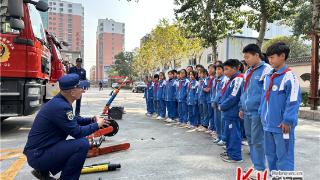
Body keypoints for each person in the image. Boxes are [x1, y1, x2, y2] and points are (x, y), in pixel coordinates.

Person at [23, 74, 107, 180]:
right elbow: (77, 132)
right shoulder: (61, 106)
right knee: (82, 144)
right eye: (80, 88)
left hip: (39, 152)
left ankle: (43, 172)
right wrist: (97, 125)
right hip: (39, 155)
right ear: (72, 92)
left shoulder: (60, 102)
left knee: (75, 145)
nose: (83, 90)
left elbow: (73, 119)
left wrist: (91, 120)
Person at [260, 42, 301, 174]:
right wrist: (262, 115)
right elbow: (264, 99)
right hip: (268, 125)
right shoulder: (268, 76)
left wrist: (288, 120)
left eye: (272, 57)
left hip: (282, 126)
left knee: (285, 158)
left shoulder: (290, 76)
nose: (269, 60)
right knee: (270, 156)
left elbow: (293, 100)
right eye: (269, 58)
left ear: (282, 56)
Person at [239, 44, 272, 178]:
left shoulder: (267, 70)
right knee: (251, 139)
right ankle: (256, 164)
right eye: (244, 57)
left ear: (257, 55)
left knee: (258, 140)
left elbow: (266, 94)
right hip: (247, 111)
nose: (245, 60)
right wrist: (241, 107)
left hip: (257, 112)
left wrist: (262, 111)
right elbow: (244, 91)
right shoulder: (247, 72)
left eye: (247, 57)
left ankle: (260, 167)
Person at [218, 59, 244, 163]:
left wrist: (222, 106)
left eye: (227, 69)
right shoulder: (231, 79)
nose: (225, 72)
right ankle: (230, 152)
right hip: (228, 113)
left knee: (234, 134)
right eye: (224, 69)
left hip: (232, 113)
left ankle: (235, 156)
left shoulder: (238, 79)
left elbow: (233, 96)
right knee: (229, 134)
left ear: (235, 68)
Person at [211, 63, 229, 145]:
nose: (217, 71)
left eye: (219, 69)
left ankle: (223, 138)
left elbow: (221, 92)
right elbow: (213, 91)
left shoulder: (224, 79)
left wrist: (216, 101)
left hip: (220, 103)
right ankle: (218, 136)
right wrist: (212, 100)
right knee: (217, 121)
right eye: (216, 69)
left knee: (222, 122)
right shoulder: (215, 80)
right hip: (215, 102)